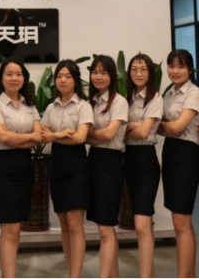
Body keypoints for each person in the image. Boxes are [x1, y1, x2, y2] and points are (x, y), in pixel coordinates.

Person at [0, 58, 44, 278]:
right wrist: (28, 138)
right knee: (9, 228)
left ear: (24, 78)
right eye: (9, 74)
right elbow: (3, 138)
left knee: (17, 227)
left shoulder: (30, 105)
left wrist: (18, 138)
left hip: (24, 166)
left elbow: (38, 137)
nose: (14, 78)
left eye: (18, 74)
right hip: (4, 168)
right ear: (1, 79)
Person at [41, 60, 94, 278]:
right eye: (59, 76)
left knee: (75, 224)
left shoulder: (83, 106)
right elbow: (42, 135)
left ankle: (75, 275)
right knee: (63, 223)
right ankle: (71, 269)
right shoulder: (51, 107)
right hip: (57, 165)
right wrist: (61, 134)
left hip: (77, 166)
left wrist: (54, 135)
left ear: (76, 80)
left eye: (68, 76)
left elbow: (80, 138)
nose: (63, 80)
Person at [157, 49, 199, 279]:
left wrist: (153, 126)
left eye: (181, 66)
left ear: (190, 69)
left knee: (181, 222)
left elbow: (177, 128)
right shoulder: (169, 94)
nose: (175, 71)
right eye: (171, 66)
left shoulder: (194, 93)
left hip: (186, 155)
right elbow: (169, 127)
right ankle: (189, 275)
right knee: (182, 221)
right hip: (171, 153)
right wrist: (162, 127)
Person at [86, 55, 129, 279]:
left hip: (111, 162)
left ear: (112, 76)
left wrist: (88, 134)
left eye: (103, 72)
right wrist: (93, 136)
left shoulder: (119, 102)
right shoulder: (91, 101)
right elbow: (91, 136)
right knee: (103, 226)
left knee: (106, 226)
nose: (98, 76)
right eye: (95, 72)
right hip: (93, 160)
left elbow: (109, 134)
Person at [123, 53, 163, 279]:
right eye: (134, 69)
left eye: (143, 69)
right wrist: (134, 125)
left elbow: (144, 132)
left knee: (142, 222)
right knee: (140, 223)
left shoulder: (155, 97)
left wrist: (127, 127)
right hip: (128, 159)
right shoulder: (125, 98)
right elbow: (127, 130)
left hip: (146, 160)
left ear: (150, 73)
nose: (138, 74)